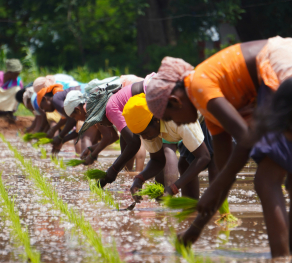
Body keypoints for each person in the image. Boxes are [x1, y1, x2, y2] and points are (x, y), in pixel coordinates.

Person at [145, 36, 291, 258]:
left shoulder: (199, 86)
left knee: (267, 179)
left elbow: (246, 138)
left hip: (279, 65)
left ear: (175, 101)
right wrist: (196, 229)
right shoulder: (211, 111)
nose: (177, 123)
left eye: (170, 117)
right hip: (280, 70)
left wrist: (216, 186)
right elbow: (224, 172)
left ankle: (281, 257)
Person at [122, 93, 214, 200]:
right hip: (193, 120)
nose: (145, 137)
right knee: (185, 164)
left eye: (145, 133)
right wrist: (139, 179)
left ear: (156, 120)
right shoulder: (148, 127)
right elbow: (157, 161)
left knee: (214, 165)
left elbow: (204, 157)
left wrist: (174, 187)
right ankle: (191, 209)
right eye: (141, 135)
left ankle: (218, 211)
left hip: (209, 112)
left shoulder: (178, 119)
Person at [64, 90, 119, 165]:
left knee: (129, 142)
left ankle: (135, 172)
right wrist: (91, 148)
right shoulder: (90, 108)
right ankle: (130, 172)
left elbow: (108, 137)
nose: (76, 119)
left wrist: (92, 155)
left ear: (78, 110)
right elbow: (114, 137)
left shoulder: (92, 110)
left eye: (74, 116)